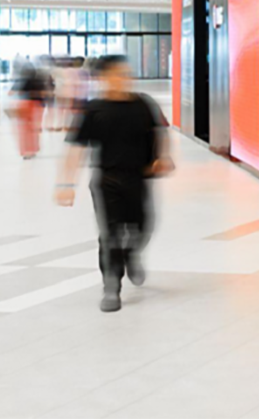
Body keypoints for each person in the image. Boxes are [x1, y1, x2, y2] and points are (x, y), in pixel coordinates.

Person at [55, 55, 174, 313]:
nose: (123, 79)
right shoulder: (93, 109)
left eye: (126, 73)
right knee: (110, 235)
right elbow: (75, 148)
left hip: (140, 178)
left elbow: (161, 131)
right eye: (117, 74)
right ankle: (111, 287)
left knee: (144, 227)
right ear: (103, 78)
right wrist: (65, 184)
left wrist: (163, 157)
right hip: (107, 180)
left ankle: (132, 254)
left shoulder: (144, 103)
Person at [10, 59, 48, 159]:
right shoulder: (40, 81)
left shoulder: (21, 81)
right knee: (34, 129)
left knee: (23, 129)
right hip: (38, 105)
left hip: (24, 105)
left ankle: (25, 151)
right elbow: (44, 94)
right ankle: (34, 149)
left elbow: (11, 93)